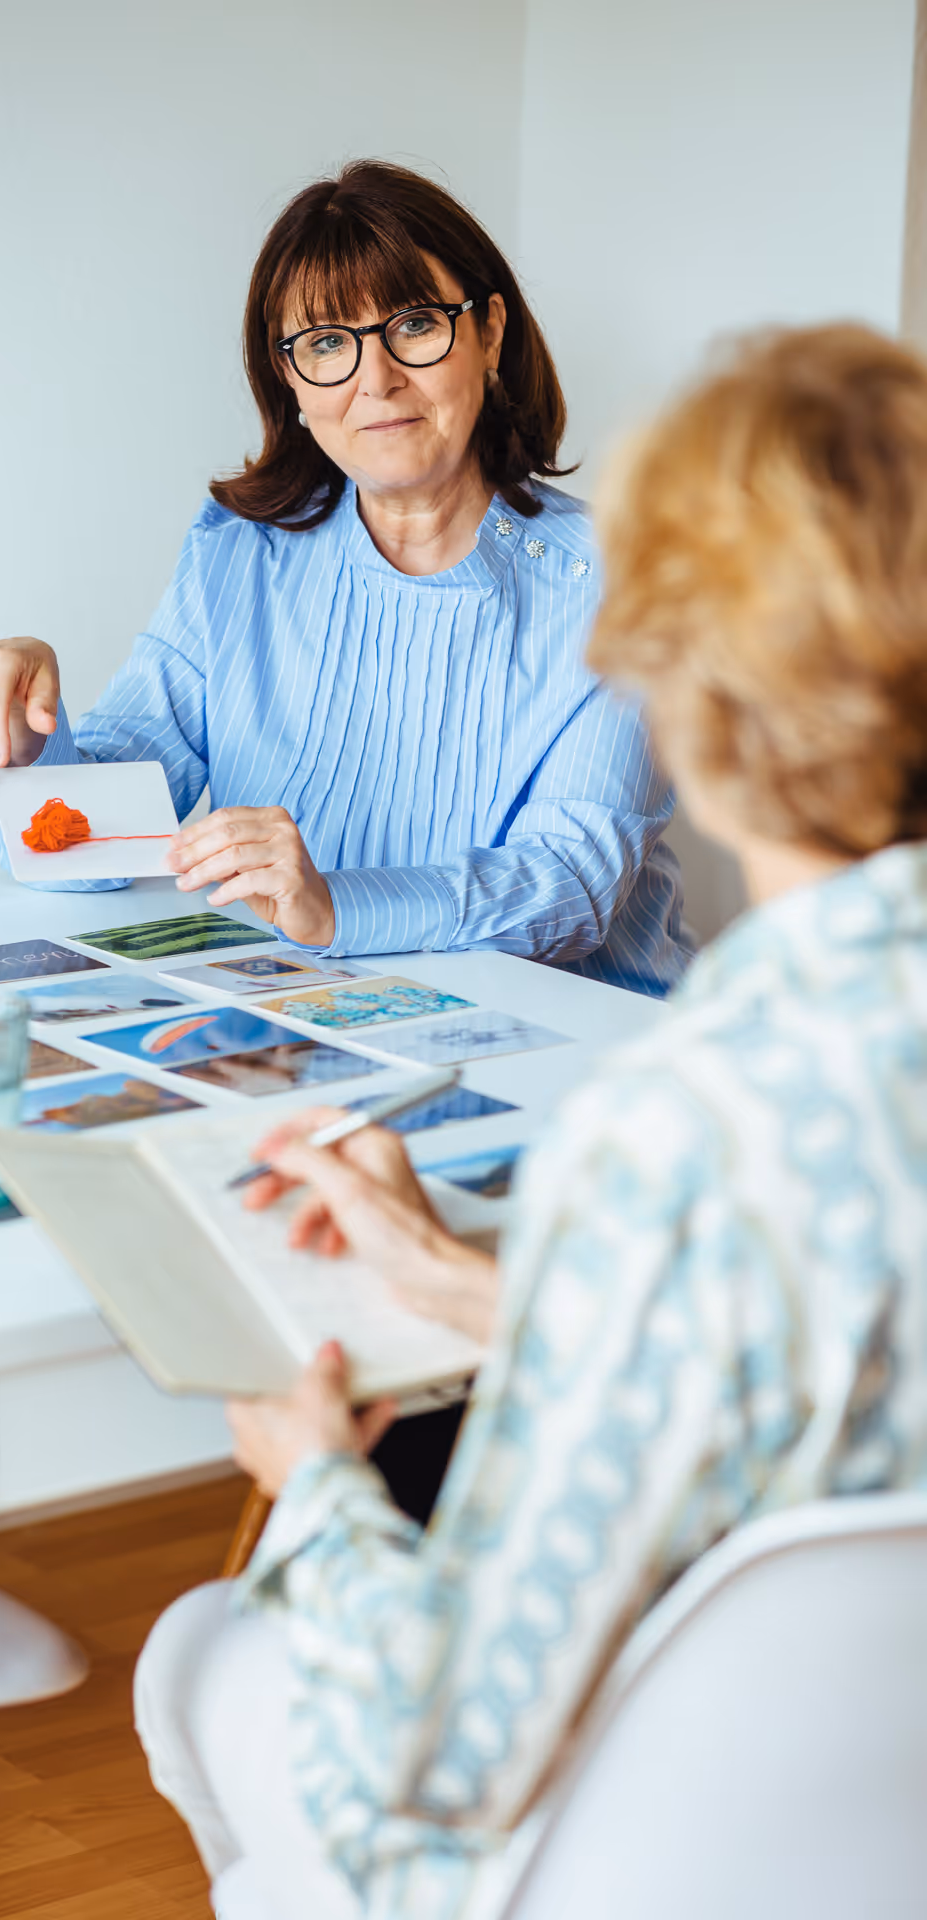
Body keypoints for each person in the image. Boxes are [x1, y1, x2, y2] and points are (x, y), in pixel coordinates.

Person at [132, 323, 927, 1920]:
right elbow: (809, 1354)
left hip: (640, 1850)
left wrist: (315, 1488)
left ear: (673, 689)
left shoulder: (676, 1129)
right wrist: (464, 1283)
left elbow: (435, 1753)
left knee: (200, 1659)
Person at [0, 160, 689, 1000]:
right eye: (328, 343)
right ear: (289, 379)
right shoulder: (240, 552)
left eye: (414, 323)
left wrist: (338, 908)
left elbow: (573, 887)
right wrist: (29, 742)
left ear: (490, 332)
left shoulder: (623, 581)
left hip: (580, 1048)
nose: (376, 379)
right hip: (303, 1028)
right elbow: (101, 845)